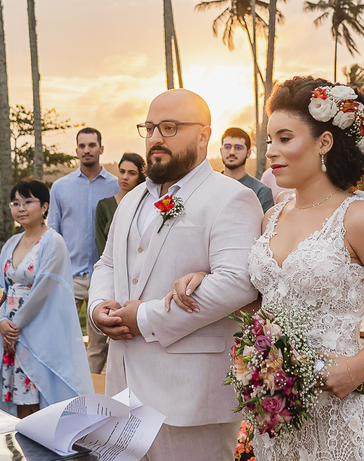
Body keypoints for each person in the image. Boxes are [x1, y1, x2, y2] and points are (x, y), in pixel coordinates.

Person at [168, 77, 364, 461]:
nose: (271, 152)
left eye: (285, 138)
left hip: (343, 410)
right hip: (279, 414)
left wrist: (358, 367)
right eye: (270, 140)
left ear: (324, 143)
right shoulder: (270, 218)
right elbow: (263, 307)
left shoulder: (358, 218)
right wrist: (208, 281)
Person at [89, 89, 263, 461]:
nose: (155, 138)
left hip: (190, 400)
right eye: (149, 128)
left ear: (203, 136)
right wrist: (99, 307)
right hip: (123, 393)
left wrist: (146, 317)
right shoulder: (131, 199)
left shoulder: (230, 197)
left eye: (169, 128)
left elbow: (237, 281)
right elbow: (106, 263)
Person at [0, 180, 93, 416]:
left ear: (45, 206)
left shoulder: (53, 241)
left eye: (28, 202)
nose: (21, 208)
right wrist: (1, 321)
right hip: (10, 328)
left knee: (39, 393)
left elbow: (44, 288)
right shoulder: (11, 243)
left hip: (37, 328)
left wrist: (16, 326)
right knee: (17, 398)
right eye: (15, 203)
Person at [48, 127, 119, 373]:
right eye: (82, 146)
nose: (86, 150)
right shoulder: (60, 187)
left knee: (99, 346)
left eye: (91, 145)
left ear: (101, 148)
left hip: (104, 276)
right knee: (61, 339)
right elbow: (52, 233)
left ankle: (91, 399)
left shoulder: (117, 186)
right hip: (70, 275)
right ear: (76, 150)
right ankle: (64, 392)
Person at [94, 152, 145, 256]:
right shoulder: (104, 206)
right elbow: (101, 245)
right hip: (110, 266)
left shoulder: (145, 205)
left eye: (132, 173)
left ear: (140, 177)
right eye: (122, 171)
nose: (125, 177)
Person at [219, 128, 274, 212]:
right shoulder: (208, 187)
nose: (232, 152)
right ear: (221, 151)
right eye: (227, 147)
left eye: (238, 147)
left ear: (249, 153)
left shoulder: (261, 192)